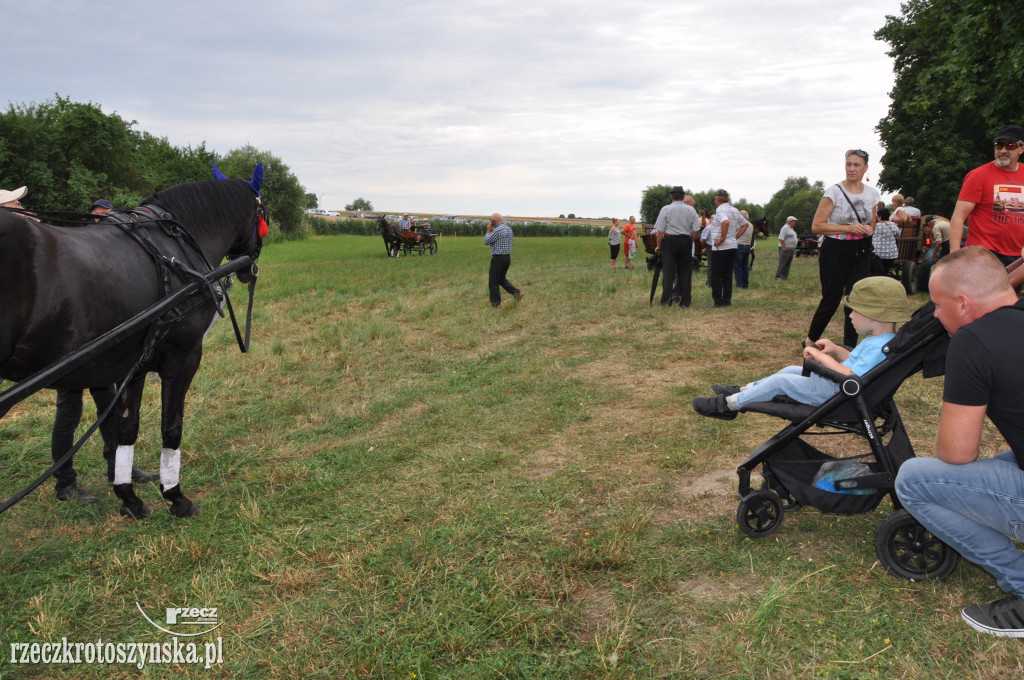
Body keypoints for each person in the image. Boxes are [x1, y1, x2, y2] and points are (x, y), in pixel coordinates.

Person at [894, 246, 1024, 637]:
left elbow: (956, 452)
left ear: (963, 304)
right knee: (1006, 459)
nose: (934, 314)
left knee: (913, 479)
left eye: (936, 304)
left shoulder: (973, 340)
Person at [51, 197, 160, 503]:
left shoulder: (110, 251)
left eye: (106, 216)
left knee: (111, 407)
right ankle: (64, 484)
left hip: (98, 347)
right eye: (97, 216)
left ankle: (118, 469)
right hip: (72, 348)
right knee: (69, 414)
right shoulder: (78, 247)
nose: (102, 221)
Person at [693, 276, 908, 419]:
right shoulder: (882, 341)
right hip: (835, 386)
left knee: (781, 381)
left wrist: (820, 357)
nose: (850, 316)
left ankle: (729, 405)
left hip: (834, 394)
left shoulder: (879, 346)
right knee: (789, 370)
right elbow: (856, 362)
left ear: (874, 315)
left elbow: (851, 375)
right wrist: (833, 348)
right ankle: (744, 389)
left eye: (854, 312)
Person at [805, 149, 881, 349]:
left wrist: (869, 228)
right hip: (835, 249)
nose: (852, 169)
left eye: (857, 165)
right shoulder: (834, 192)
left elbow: (872, 221)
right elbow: (817, 226)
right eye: (849, 164)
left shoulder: (872, 194)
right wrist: (847, 228)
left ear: (866, 168)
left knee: (854, 300)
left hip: (861, 250)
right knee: (831, 299)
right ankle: (810, 340)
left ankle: (850, 348)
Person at [948, 125, 1024, 266]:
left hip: (1018, 256)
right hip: (983, 253)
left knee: (1013, 289)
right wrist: (954, 257)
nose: (1002, 151)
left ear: (1021, 149)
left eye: (1010, 146)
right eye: (998, 145)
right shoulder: (978, 175)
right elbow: (958, 217)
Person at [652, 186, 701, 307]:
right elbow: (696, 230)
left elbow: (660, 231)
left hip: (670, 240)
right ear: (683, 197)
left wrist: (658, 245)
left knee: (668, 272)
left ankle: (666, 301)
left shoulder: (666, 209)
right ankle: (685, 302)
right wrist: (690, 241)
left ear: (671, 196)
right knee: (685, 272)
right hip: (685, 240)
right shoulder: (691, 210)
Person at [708, 189, 748, 307]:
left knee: (716, 275)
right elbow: (745, 224)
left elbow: (725, 222)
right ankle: (727, 301)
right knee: (727, 275)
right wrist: (734, 237)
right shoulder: (734, 210)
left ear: (718, 199)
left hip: (721, 247)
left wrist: (722, 238)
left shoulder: (720, 210)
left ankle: (718, 302)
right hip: (732, 246)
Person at [483, 213, 523, 307]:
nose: (489, 223)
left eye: (490, 221)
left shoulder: (497, 230)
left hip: (498, 258)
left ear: (494, 221)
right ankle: (517, 293)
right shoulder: (508, 229)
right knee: (501, 279)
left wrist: (488, 231)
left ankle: (496, 304)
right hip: (507, 258)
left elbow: (486, 241)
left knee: (493, 281)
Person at [871, 207, 900, 275]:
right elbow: (897, 233)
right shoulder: (893, 225)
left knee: (877, 271)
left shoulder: (876, 226)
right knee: (886, 271)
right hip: (891, 253)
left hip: (877, 253)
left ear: (880, 217)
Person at [733, 209, 754, 289]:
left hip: (739, 246)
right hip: (747, 247)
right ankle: (745, 284)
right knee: (745, 266)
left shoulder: (739, 224)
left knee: (737, 266)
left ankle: (739, 284)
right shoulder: (751, 225)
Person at [776, 216, 798, 280]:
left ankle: (784, 277)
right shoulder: (785, 228)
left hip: (790, 249)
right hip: (785, 248)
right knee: (783, 263)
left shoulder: (791, 228)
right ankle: (778, 276)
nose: (794, 223)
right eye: (794, 221)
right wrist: (784, 247)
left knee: (788, 263)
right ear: (790, 221)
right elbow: (781, 238)